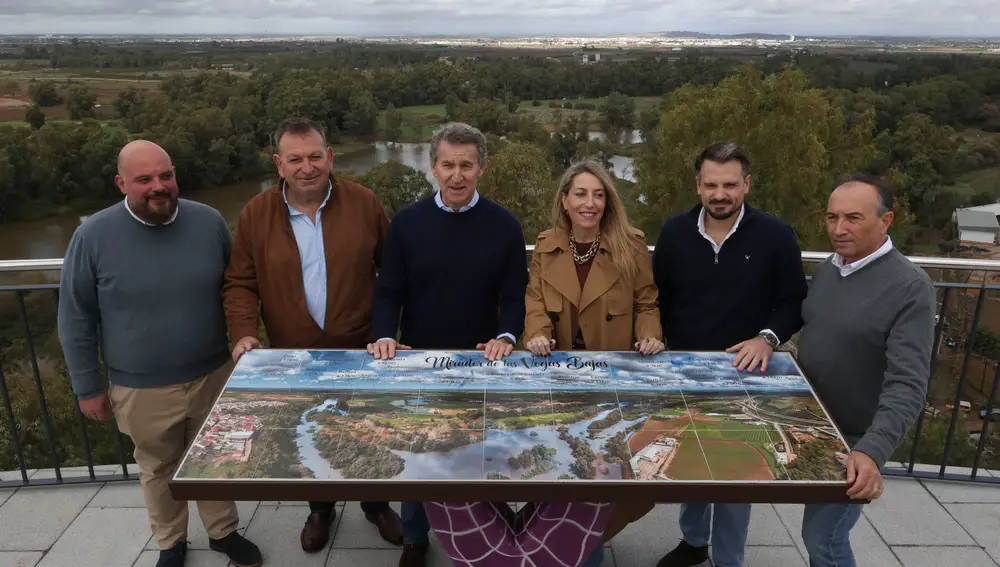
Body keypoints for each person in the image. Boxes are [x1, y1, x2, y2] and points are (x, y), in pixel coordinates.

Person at [432, 158, 664, 567]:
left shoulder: (631, 245)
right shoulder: (547, 245)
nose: (589, 203)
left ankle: (582, 549)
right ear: (565, 200)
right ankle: (550, 540)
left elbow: (647, 301)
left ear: (607, 202)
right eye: (580, 194)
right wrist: (536, 333)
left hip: (608, 376)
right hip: (557, 376)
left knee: (604, 473)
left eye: (598, 195)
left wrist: (650, 335)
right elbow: (534, 300)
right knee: (562, 462)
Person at [57, 140, 263, 567]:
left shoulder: (208, 223)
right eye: (144, 179)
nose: (158, 186)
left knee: (215, 459)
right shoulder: (92, 235)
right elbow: (76, 317)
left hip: (213, 374)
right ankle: (171, 541)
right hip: (140, 387)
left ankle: (223, 532)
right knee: (159, 469)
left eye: (165, 175)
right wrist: (86, 387)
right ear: (121, 183)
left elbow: (236, 288)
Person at [222, 117, 403, 553]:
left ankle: (376, 505)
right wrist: (244, 333)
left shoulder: (364, 203)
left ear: (330, 157)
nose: (307, 167)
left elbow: (394, 275)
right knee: (308, 430)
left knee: (365, 429)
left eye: (315, 156)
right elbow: (240, 282)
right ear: (279, 165)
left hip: (362, 350)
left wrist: (385, 332)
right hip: (294, 354)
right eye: (295, 158)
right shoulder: (255, 214)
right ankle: (320, 509)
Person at [367, 121, 529, 567]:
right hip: (420, 358)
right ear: (433, 168)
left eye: (466, 165)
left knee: (479, 451)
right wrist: (385, 335)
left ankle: (487, 533)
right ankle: (416, 538)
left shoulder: (504, 226)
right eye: (448, 165)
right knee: (420, 451)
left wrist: (505, 336)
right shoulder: (406, 223)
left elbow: (514, 296)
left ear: (481, 169)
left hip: (482, 361)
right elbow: (388, 292)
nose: (457, 175)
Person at [650, 141, 808, 567]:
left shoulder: (776, 235)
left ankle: (729, 560)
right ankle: (693, 542)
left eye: (730, 185)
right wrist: (655, 337)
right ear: (698, 185)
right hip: (685, 372)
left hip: (746, 374)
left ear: (747, 184)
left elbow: (794, 300)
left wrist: (768, 337)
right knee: (690, 463)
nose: (721, 194)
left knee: (737, 474)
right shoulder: (674, 232)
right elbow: (656, 297)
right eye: (712, 185)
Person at [796, 174, 935, 567]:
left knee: (824, 537)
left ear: (886, 221)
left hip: (857, 438)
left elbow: (908, 384)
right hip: (815, 426)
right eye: (831, 217)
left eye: (853, 218)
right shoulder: (829, 269)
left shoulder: (911, 287)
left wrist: (871, 452)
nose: (838, 230)